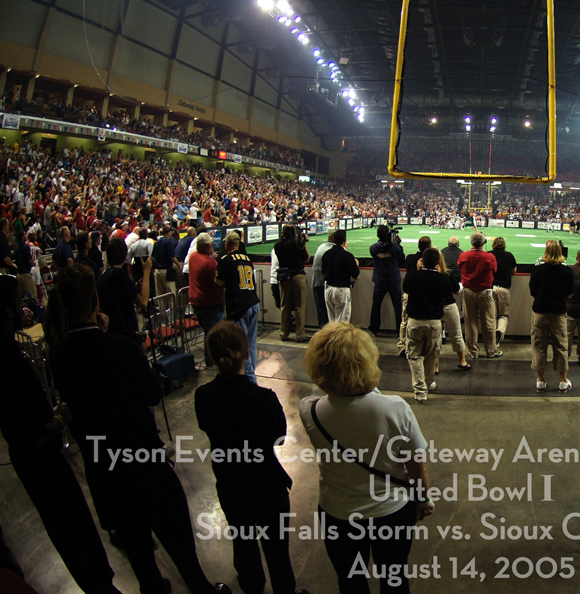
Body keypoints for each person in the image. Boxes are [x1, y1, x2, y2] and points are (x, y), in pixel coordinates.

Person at [46, 264, 231, 594]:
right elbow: (150, 393)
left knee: (141, 559)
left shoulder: (59, 357)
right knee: (180, 545)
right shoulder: (120, 347)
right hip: (143, 462)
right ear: (95, 302)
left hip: (104, 470)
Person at [0, 275, 122, 594]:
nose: (25, 307)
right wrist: (61, 418)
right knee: (74, 531)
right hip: (40, 463)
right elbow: (30, 431)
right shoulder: (3, 357)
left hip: (38, 459)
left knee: (75, 531)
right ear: (7, 311)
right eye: (19, 301)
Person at [299, 323, 434, 592]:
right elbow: (416, 467)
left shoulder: (309, 410)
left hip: (337, 512)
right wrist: (423, 498)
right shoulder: (393, 408)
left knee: (350, 581)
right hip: (390, 511)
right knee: (394, 578)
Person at [195, 322, 307, 594]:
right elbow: (279, 438)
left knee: (243, 543)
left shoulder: (204, 396)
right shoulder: (264, 399)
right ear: (247, 353)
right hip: (267, 484)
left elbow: (206, 426)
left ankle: (252, 586)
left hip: (231, 483)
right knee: (276, 548)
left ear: (212, 356)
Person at [402, 247, 456, 403]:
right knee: (431, 355)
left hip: (415, 321)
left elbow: (406, 288)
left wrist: (418, 270)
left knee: (414, 356)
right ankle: (429, 383)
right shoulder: (443, 279)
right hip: (434, 322)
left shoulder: (412, 276)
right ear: (438, 263)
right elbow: (447, 294)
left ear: (422, 261)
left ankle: (420, 390)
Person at [529, 240, 575, 392]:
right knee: (561, 346)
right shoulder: (567, 271)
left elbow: (533, 292)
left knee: (538, 346)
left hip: (540, 312)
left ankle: (540, 380)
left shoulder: (538, 270)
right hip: (558, 313)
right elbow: (570, 293)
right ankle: (562, 381)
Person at [215, 231, 260, 383]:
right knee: (251, 342)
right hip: (253, 302)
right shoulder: (247, 258)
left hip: (238, 305)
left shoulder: (225, 260)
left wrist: (223, 303)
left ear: (227, 244)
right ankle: (251, 373)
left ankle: (249, 379)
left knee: (241, 344)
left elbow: (219, 284)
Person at [96, 237, 151, 340]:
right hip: (125, 333)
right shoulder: (120, 275)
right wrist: (146, 272)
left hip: (110, 333)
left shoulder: (101, 277)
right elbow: (143, 303)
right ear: (124, 255)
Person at [458, 231, 500, 359]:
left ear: (471, 242)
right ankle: (491, 351)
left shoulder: (464, 255)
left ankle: (473, 351)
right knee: (489, 323)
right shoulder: (490, 257)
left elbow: (459, 266)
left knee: (470, 324)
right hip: (485, 293)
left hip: (469, 292)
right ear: (483, 243)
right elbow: (495, 270)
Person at [189, 233, 223, 365]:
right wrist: (223, 303)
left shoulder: (193, 256)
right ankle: (211, 359)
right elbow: (218, 287)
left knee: (208, 331)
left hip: (196, 301)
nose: (212, 246)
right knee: (212, 333)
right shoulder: (210, 263)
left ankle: (210, 358)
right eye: (209, 244)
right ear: (203, 246)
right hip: (209, 303)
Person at [398, 236, 432, 357]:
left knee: (405, 320)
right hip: (423, 292)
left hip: (410, 292)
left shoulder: (410, 258)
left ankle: (402, 345)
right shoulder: (429, 260)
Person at [275, 225, 310, 342]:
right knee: (300, 307)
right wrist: (303, 243)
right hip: (298, 276)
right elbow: (306, 258)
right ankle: (300, 335)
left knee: (285, 306)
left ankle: (283, 333)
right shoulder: (297, 246)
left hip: (285, 278)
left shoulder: (278, 246)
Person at [369, 225, 405, 335]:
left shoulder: (373, 248)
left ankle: (374, 328)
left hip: (380, 280)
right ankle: (400, 330)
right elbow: (401, 258)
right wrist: (398, 244)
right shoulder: (394, 248)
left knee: (376, 305)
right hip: (393, 280)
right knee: (398, 306)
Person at [321, 229, 359, 323]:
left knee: (332, 320)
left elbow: (323, 272)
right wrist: (356, 263)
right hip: (341, 290)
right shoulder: (347, 256)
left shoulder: (326, 254)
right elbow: (356, 276)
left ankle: (332, 337)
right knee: (342, 322)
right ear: (345, 240)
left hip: (328, 289)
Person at [490, 236, 517, 345]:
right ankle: (499, 332)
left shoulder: (489, 255)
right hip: (504, 289)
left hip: (490, 289)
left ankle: (491, 340)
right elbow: (514, 271)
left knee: (491, 316)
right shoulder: (509, 256)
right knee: (503, 315)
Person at [311, 232, 335, 329]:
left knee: (321, 311)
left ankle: (323, 333)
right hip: (326, 284)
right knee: (331, 313)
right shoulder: (333, 249)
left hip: (317, 282)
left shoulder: (322, 246)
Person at [151, 225, 178, 297]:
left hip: (157, 271)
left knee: (161, 296)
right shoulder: (168, 242)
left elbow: (152, 257)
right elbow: (172, 257)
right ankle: (172, 309)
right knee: (171, 295)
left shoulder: (156, 242)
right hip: (166, 271)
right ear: (168, 233)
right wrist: (179, 265)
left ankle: (162, 309)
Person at [13, 230, 36, 299]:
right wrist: (33, 263)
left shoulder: (16, 248)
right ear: (22, 237)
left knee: (23, 298)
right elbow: (29, 260)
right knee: (33, 295)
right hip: (26, 275)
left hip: (19, 275)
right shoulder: (25, 246)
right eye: (25, 234)